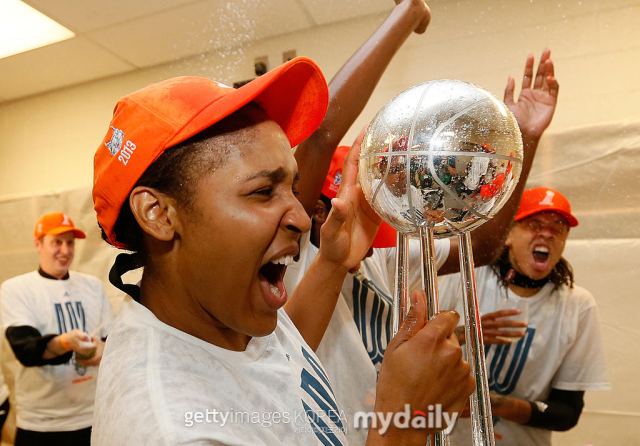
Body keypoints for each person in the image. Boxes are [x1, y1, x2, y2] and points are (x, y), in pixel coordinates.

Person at [90, 57, 475, 445]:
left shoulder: (220, 316)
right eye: (262, 191)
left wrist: (333, 263)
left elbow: (286, 363)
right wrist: (405, 421)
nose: (303, 219)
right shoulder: (170, 429)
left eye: (292, 187)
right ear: (158, 214)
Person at [285, 48, 560, 446]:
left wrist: (525, 138)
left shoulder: (379, 258)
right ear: (313, 210)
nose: (376, 220)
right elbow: (320, 137)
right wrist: (408, 13)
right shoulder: (294, 263)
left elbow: (480, 244)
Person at [438, 187, 610, 446]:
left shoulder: (578, 305)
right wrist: (464, 334)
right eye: (534, 224)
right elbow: (406, 352)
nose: (547, 233)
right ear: (507, 234)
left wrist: (497, 404)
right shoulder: (462, 277)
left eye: (558, 228)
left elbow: (566, 413)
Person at [0, 212, 114, 446]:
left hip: (92, 415)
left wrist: (102, 350)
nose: (65, 250)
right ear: (38, 245)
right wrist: (65, 343)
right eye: (57, 242)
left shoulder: (92, 286)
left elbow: (111, 340)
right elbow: (26, 350)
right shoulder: (16, 289)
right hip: (42, 422)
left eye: (70, 243)